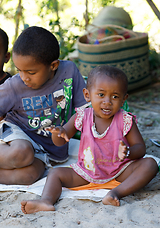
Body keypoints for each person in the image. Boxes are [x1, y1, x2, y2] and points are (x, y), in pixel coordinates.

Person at [21, 65, 158, 214]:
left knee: (150, 164)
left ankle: (115, 193)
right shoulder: (82, 115)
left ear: (124, 98)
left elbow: (140, 148)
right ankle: (46, 201)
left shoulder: (125, 120)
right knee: (55, 173)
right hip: (86, 173)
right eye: (101, 95)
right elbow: (60, 141)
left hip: (120, 172)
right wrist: (58, 132)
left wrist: (128, 152)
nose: (107, 101)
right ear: (87, 95)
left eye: (115, 96)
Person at [0, 26, 87, 185]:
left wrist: (66, 129)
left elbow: (84, 110)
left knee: (30, 176)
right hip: (18, 135)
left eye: (31, 72)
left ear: (53, 66)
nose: (24, 78)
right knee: (22, 153)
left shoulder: (69, 72)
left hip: (48, 148)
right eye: (19, 70)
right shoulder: (15, 85)